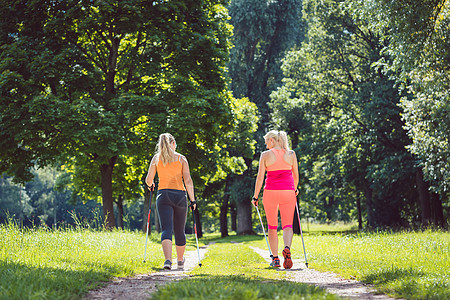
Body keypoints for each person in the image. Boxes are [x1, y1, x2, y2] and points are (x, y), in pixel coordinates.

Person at [145, 133, 197, 270]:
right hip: (180, 196)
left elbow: (148, 180)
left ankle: (168, 261)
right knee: (180, 230)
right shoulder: (181, 159)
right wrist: (193, 200)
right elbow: (188, 181)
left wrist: (151, 185)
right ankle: (180, 261)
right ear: (173, 143)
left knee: (166, 229)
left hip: (163, 195)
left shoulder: (156, 158)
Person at [252, 130, 299, 269]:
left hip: (271, 192)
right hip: (288, 192)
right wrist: (294, 189)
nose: (266, 146)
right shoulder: (291, 154)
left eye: (267, 142)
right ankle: (287, 248)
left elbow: (260, 178)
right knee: (287, 225)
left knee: (272, 227)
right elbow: (296, 175)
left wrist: (255, 196)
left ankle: (276, 259)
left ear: (272, 140)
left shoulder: (265, 155)